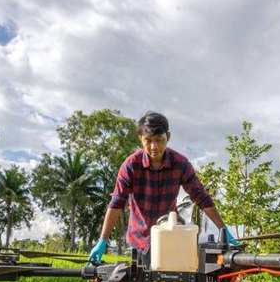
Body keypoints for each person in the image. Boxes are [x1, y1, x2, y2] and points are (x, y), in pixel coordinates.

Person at [88, 111, 238, 265]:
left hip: (170, 235)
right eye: (148, 140)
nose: (154, 147)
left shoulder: (180, 164)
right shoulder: (131, 165)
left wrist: (223, 228)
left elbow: (200, 196)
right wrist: (103, 240)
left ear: (168, 136)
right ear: (141, 139)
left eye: (159, 140)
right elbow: (117, 203)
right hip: (140, 238)